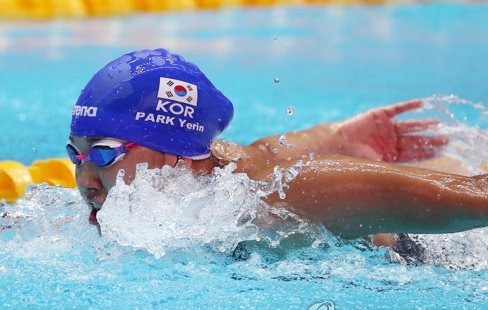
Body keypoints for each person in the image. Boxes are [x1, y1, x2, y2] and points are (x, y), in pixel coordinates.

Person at [68, 48, 487, 259]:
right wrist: (332, 135)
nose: (85, 180)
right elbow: (254, 153)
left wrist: (339, 154)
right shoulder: (210, 180)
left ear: (178, 153)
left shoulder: (285, 199)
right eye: (77, 154)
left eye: (104, 154)